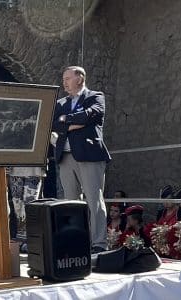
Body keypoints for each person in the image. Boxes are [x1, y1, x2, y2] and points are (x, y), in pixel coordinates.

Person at [51, 65, 111, 254]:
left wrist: (65, 122)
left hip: (89, 156)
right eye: (63, 79)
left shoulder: (95, 96)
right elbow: (52, 124)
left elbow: (91, 115)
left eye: (68, 78)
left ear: (80, 78)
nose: (64, 82)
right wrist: (73, 123)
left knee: (94, 200)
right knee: (70, 203)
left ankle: (99, 243)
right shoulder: (60, 103)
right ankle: (76, 241)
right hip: (66, 158)